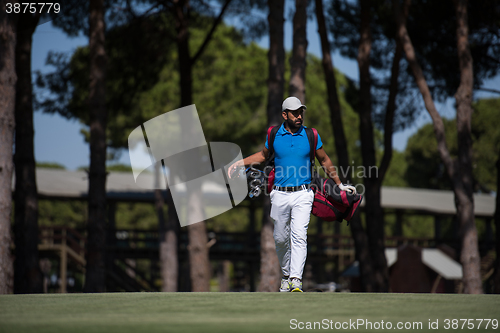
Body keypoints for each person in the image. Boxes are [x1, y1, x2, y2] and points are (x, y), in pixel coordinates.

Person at [228, 97, 350, 292]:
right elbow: (262, 155)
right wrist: (239, 163)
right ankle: (286, 275)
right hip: (279, 194)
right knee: (280, 238)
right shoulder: (274, 133)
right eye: (295, 112)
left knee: (299, 236)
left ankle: (296, 279)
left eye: (301, 111)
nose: (299, 115)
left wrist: (339, 184)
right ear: (284, 114)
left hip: (303, 193)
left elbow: (324, 159)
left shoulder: (312, 135)